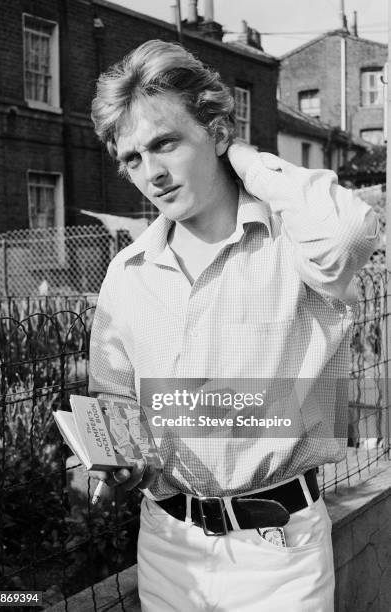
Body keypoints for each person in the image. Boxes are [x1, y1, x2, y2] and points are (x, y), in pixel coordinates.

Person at [89, 39, 378, 612]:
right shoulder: (128, 272)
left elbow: (350, 232)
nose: (152, 173)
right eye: (132, 159)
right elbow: (115, 394)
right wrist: (118, 456)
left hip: (280, 555)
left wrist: (241, 157)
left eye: (165, 143)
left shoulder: (292, 244)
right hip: (167, 547)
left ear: (217, 133)